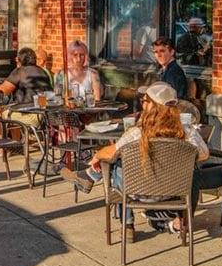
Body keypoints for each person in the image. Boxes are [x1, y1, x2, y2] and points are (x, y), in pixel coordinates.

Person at [59, 81, 208, 242]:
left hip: (137, 191)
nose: (142, 104)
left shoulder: (138, 132)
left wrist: (97, 157)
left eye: (145, 101)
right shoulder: (188, 131)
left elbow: (113, 152)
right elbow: (204, 154)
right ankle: (88, 177)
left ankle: (127, 225)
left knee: (117, 163)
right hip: (173, 191)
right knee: (190, 167)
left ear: (152, 106)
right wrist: (176, 158)